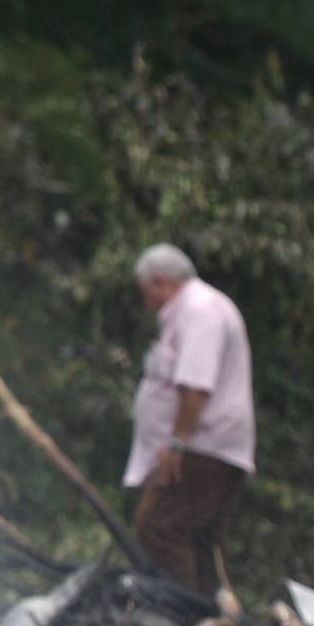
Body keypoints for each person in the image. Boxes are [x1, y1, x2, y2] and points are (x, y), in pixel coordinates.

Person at [122, 243, 255, 598]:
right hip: (204, 444)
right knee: (199, 537)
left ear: (160, 282)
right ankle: (215, 618)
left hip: (204, 445)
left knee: (159, 526)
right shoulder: (192, 311)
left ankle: (179, 616)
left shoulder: (199, 311)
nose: (146, 303)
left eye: (145, 293)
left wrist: (177, 442)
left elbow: (195, 386)